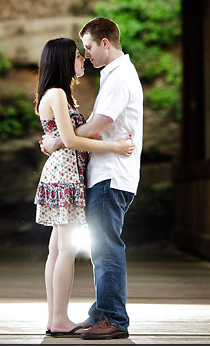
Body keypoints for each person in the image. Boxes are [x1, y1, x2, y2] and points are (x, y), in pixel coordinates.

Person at [41, 18, 143, 340]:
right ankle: (98, 313)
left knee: (104, 247)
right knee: (91, 246)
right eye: (79, 51)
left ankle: (113, 319)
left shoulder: (118, 78)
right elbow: (84, 133)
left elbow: (95, 128)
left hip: (111, 174)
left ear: (105, 43)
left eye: (87, 47)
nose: (85, 55)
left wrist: (59, 140)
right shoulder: (111, 77)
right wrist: (63, 139)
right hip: (100, 173)